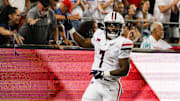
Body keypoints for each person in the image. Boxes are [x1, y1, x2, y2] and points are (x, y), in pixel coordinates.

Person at [64, 11, 133, 101]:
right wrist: (70, 29)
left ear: (121, 27)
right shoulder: (99, 35)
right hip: (96, 82)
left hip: (111, 86)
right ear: (105, 25)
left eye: (116, 25)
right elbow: (83, 43)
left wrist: (104, 73)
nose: (113, 28)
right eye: (110, 25)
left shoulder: (123, 43)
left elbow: (124, 70)